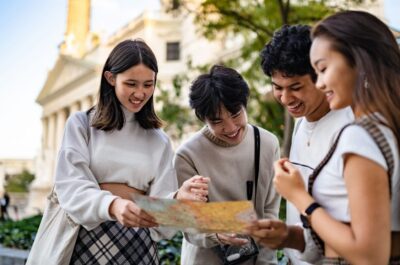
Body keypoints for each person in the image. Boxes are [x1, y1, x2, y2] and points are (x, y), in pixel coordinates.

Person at [46, 39, 208, 264]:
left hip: (138, 248)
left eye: (148, 84)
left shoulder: (159, 140)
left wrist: (178, 198)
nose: (140, 93)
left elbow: (164, 224)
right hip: (84, 241)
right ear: (111, 78)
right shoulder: (81, 125)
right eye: (131, 83)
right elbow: (70, 186)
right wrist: (113, 205)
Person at [272, 11, 400, 264]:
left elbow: (368, 254)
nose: (319, 83)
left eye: (322, 69)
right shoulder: (383, 124)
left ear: (359, 63)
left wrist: (299, 197)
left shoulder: (360, 134)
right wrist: (289, 236)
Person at [248, 25, 353, 264]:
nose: (286, 99)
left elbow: (354, 229)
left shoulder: (350, 129)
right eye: (277, 88)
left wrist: (291, 236)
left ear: (321, 76)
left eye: (295, 88)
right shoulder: (301, 122)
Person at [174, 65, 281, 264]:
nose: (230, 128)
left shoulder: (267, 144)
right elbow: (189, 224)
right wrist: (215, 234)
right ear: (203, 119)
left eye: (235, 114)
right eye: (217, 121)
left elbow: (270, 212)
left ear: (244, 105)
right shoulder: (187, 155)